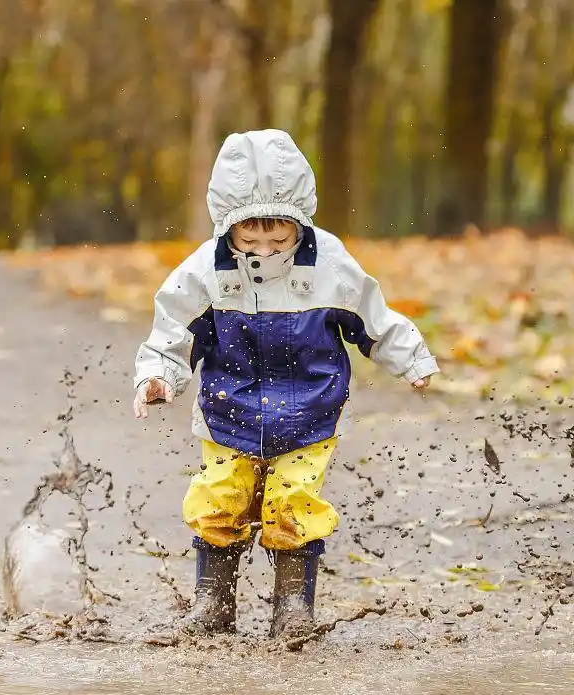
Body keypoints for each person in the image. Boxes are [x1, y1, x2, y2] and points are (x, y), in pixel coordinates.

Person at [132, 129, 440, 642]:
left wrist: (410, 358)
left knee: (292, 504)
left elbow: (371, 316)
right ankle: (214, 602)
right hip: (227, 411)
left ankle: (293, 606)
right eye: (249, 241)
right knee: (218, 499)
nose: (266, 251)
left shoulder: (330, 264)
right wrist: (158, 378)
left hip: (309, 413)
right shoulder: (205, 271)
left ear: (301, 223)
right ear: (227, 229)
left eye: (280, 241)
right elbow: (172, 333)